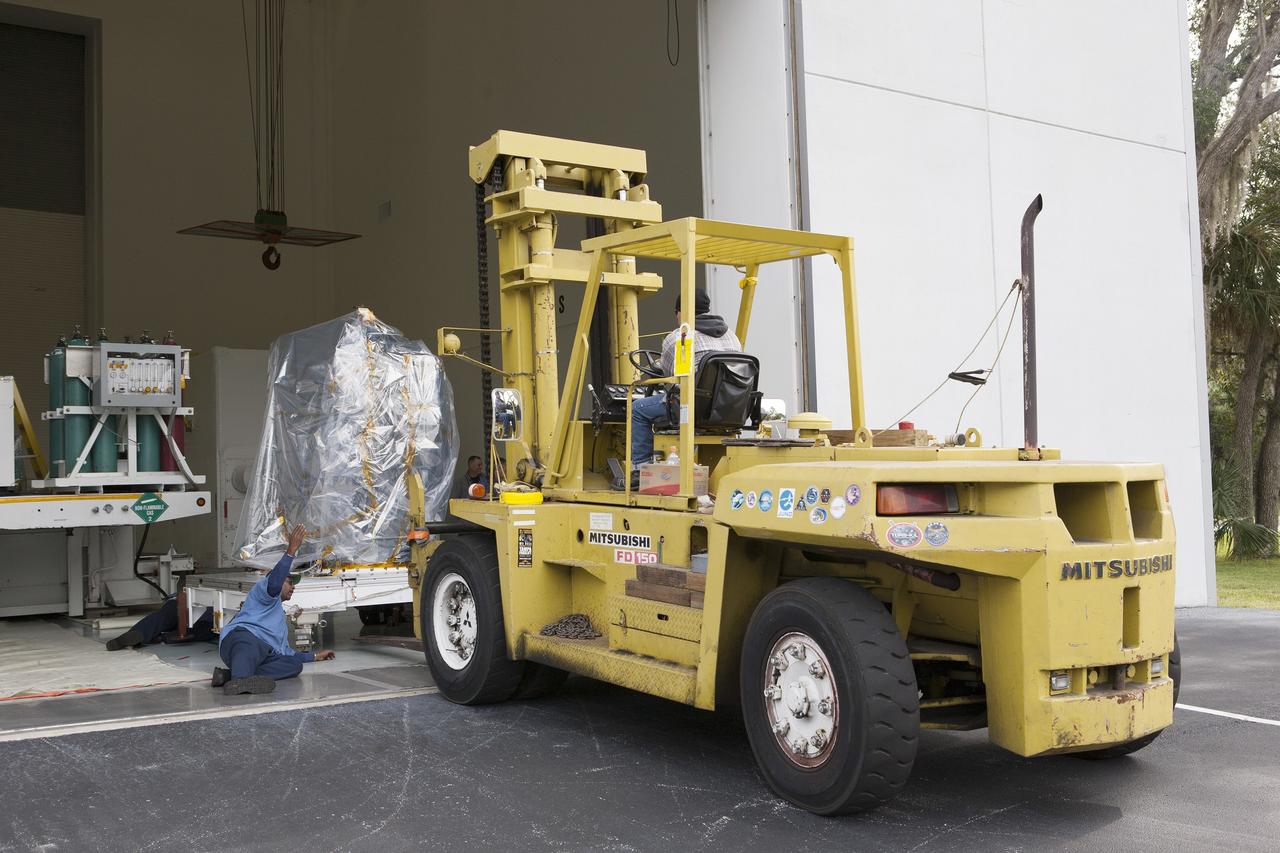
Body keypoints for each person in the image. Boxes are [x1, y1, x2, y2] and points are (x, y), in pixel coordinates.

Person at [623, 289, 742, 486]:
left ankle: (639, 470)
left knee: (637, 409)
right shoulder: (732, 337)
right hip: (727, 409)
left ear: (680, 312)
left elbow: (670, 376)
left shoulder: (679, 337)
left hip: (693, 408)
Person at [213, 523, 335, 695]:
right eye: (289, 582)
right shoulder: (264, 593)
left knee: (293, 665)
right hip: (241, 639)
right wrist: (291, 551)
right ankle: (239, 680)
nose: (293, 587)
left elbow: (288, 653)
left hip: (264, 653)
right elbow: (275, 582)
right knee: (250, 644)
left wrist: (315, 656)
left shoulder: (280, 622)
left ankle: (230, 677)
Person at [104, 597, 215, 651]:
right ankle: (165, 637)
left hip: (181, 600)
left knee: (163, 617)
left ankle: (138, 632)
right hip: (208, 614)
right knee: (210, 629)